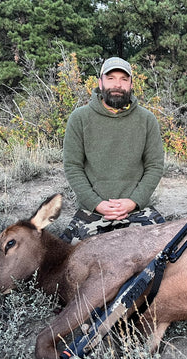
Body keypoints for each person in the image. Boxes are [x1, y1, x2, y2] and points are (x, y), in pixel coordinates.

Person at [60, 56, 165, 244]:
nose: (117, 84)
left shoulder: (147, 120)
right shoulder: (79, 118)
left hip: (137, 210)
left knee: (169, 256)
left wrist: (133, 202)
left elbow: (155, 166)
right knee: (63, 265)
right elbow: (73, 167)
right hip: (92, 212)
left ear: (131, 84)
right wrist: (97, 204)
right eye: (111, 78)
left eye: (124, 79)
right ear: (100, 82)